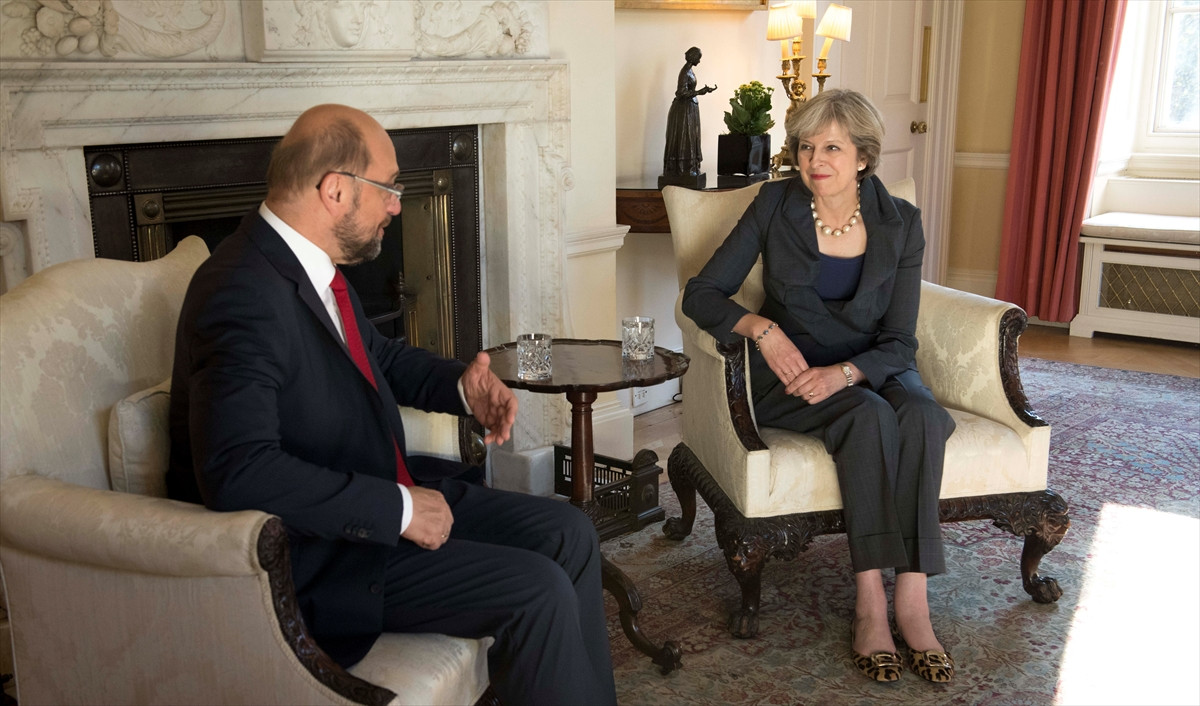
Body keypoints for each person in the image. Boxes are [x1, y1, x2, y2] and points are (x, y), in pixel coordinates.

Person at [166, 104, 617, 706]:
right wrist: (398, 510)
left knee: (569, 531)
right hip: (328, 554)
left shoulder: (307, 265)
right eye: (388, 188)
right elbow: (237, 471)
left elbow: (377, 356)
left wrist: (462, 387)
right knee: (538, 589)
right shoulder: (241, 291)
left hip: (378, 496)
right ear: (335, 190)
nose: (397, 206)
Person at [681, 89, 956, 684]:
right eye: (806, 147)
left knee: (923, 416)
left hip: (872, 364)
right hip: (794, 373)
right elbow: (701, 294)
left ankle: (913, 601)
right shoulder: (774, 204)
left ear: (863, 157)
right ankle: (870, 603)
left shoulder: (901, 223)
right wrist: (763, 330)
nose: (814, 160)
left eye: (832, 147)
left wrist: (848, 373)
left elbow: (900, 341)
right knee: (868, 416)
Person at [662, 46, 716, 181]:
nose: (699, 61)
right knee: (685, 138)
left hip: (690, 108)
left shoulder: (690, 70)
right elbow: (680, 93)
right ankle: (683, 169)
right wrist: (699, 92)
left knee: (691, 137)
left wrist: (701, 91)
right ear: (693, 57)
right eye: (699, 58)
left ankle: (690, 168)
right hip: (683, 110)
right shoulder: (685, 72)